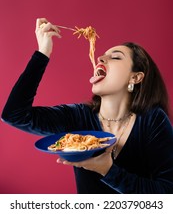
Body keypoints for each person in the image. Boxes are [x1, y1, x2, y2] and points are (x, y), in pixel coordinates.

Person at [1, 18, 173, 194]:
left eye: (115, 57)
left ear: (135, 78)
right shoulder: (78, 116)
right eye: (103, 55)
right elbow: (14, 114)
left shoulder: (153, 120)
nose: (100, 57)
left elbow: (168, 193)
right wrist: (43, 52)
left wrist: (108, 171)